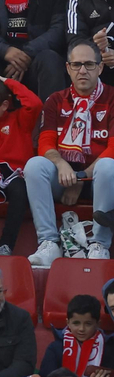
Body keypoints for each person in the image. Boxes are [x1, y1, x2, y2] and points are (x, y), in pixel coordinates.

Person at [23, 40, 114, 265]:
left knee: (109, 166)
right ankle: (49, 243)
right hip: (63, 178)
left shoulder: (112, 98)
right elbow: (45, 143)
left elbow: (113, 148)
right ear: (68, 68)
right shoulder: (55, 100)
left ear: (100, 68)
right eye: (76, 65)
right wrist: (62, 165)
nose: (82, 70)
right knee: (34, 165)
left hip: (100, 181)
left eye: (89, 65)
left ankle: (99, 245)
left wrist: (81, 178)